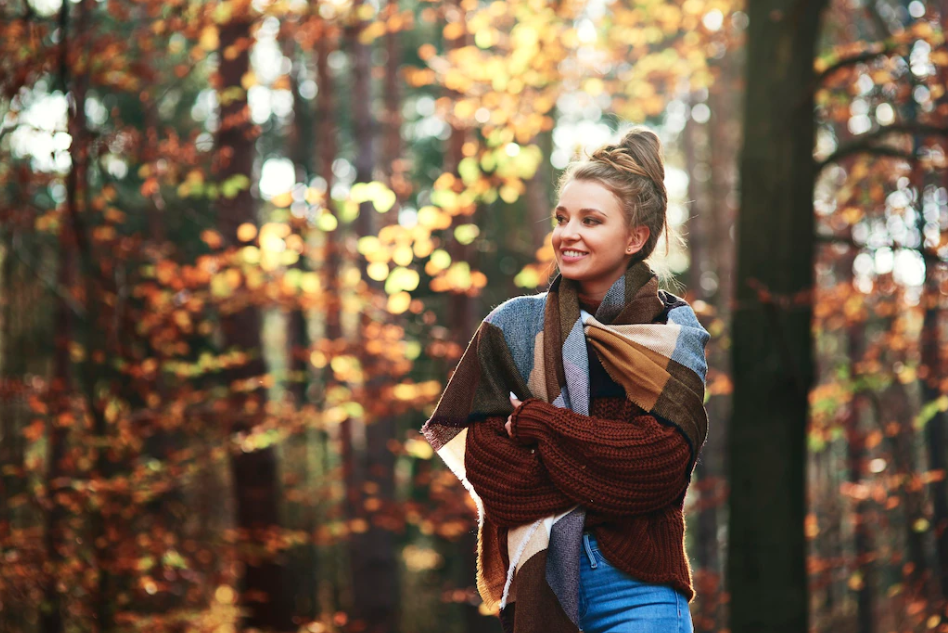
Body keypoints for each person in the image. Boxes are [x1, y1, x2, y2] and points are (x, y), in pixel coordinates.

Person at [422, 126, 709, 633]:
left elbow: (658, 467)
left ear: (635, 238)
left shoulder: (672, 330)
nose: (566, 233)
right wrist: (602, 472)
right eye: (562, 218)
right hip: (539, 583)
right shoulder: (513, 326)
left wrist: (537, 424)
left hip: (641, 590)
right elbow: (480, 459)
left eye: (590, 220)